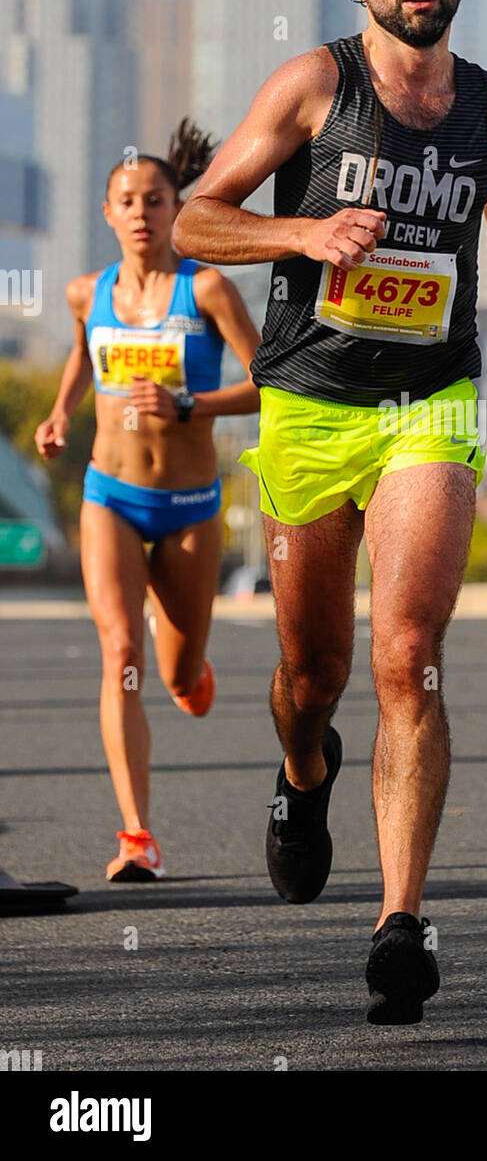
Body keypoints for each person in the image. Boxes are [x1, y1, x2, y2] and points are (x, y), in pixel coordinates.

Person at [173, 0, 487, 1022]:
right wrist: (304, 229)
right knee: (314, 679)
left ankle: (400, 922)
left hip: (430, 396)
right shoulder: (315, 84)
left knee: (408, 657)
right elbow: (196, 218)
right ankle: (304, 772)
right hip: (309, 401)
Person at [34, 119, 261, 882]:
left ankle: (190, 662)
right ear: (107, 213)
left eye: (155, 199)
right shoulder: (84, 293)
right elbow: (78, 349)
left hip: (191, 502)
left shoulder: (207, 288)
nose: (141, 212)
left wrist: (190, 405)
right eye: (126, 200)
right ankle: (137, 835)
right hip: (111, 496)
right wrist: (64, 411)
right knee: (120, 652)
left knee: (175, 672)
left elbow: (270, 382)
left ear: (176, 207)